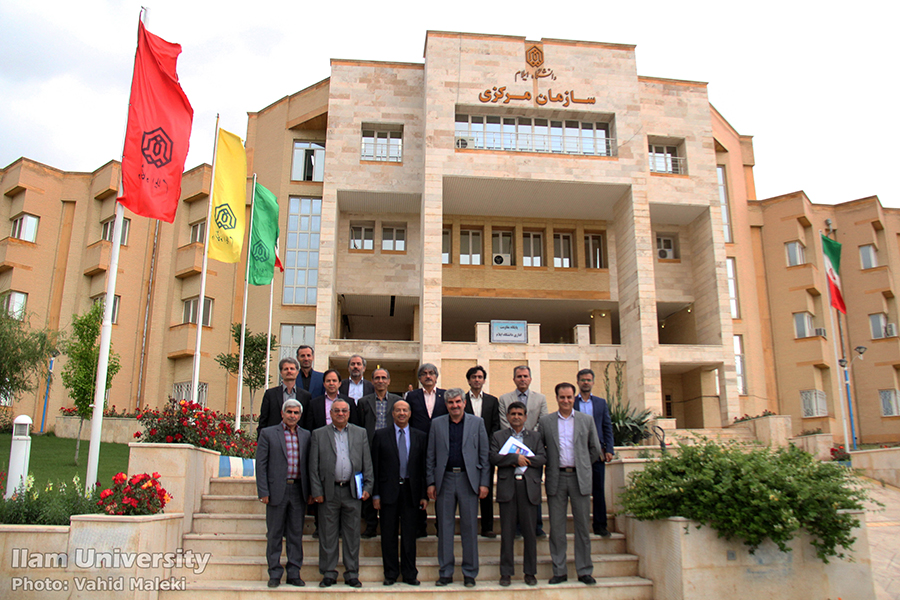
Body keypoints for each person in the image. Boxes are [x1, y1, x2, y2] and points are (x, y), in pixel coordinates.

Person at [426, 388, 490, 588]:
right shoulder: (436, 424)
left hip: (468, 480)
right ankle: (445, 572)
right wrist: (430, 482)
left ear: (464, 403)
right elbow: (430, 455)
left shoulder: (477, 423)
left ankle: (470, 572)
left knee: (470, 528)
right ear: (446, 405)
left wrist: (484, 483)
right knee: (444, 528)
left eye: (458, 402)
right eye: (451, 403)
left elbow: (484, 455)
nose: (455, 406)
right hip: (444, 480)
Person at [540, 382, 602, 585]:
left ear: (574, 398)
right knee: (557, 528)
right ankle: (559, 571)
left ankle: (584, 570)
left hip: (579, 478)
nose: (565, 401)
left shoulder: (586, 420)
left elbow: (595, 449)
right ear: (556, 398)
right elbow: (541, 450)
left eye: (569, 397)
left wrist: (582, 464)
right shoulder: (547, 422)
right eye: (561, 397)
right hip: (556, 478)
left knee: (582, 527)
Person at [309, 400, 373, 588]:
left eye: (344, 410)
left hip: (353, 492)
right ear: (330, 412)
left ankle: (352, 573)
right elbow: (313, 467)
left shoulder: (360, 433)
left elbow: (366, 462)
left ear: (349, 413)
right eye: (336, 410)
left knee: (352, 535)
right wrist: (316, 491)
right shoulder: (319, 434)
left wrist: (368, 487)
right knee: (328, 535)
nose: (340, 413)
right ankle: (328, 573)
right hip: (329, 492)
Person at [371, 400, 428, 586]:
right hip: (388, 492)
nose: (401, 413)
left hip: (411, 491)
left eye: (405, 410)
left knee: (410, 535)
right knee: (388, 534)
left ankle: (410, 573)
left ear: (410, 413)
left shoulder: (420, 436)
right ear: (392, 414)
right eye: (398, 410)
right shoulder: (380, 435)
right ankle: (390, 573)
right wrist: (376, 494)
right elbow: (376, 467)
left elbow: (423, 467)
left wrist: (423, 495)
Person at [255, 399, 310, 588]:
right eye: (289, 412)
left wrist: (310, 491)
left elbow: (309, 465)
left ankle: (294, 572)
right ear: (282, 413)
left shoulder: (306, 435)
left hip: (298, 490)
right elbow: (261, 464)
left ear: (300, 415)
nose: (292, 416)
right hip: (276, 490)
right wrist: (263, 490)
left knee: (295, 534)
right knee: (275, 534)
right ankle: (275, 573)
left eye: (296, 413)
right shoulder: (268, 434)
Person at [490, 401, 546, 587]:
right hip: (508, 487)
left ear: (525, 416)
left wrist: (526, 460)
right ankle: (506, 573)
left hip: (528, 489)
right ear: (507, 416)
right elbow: (494, 457)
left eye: (519, 414)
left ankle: (530, 573)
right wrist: (515, 458)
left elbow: (542, 458)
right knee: (507, 533)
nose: (516, 417)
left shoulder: (535, 437)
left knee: (530, 533)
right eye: (512, 414)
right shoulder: (499, 436)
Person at [498, 365, 548, 536]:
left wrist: (529, 438)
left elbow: (543, 421)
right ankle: (517, 527)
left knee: (533, 485)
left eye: (525, 376)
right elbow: (505, 421)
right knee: (515, 490)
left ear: (530, 379)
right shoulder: (505, 399)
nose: (522, 379)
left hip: (533, 447)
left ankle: (537, 526)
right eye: (519, 376)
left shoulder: (540, 398)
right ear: (514, 379)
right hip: (511, 447)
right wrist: (516, 442)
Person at [357, 367, 402, 538]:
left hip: (391, 449)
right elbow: (360, 426)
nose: (380, 381)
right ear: (372, 381)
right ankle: (370, 525)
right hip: (369, 448)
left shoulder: (397, 401)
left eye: (384, 377)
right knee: (369, 484)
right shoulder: (363, 402)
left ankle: (388, 524)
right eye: (377, 378)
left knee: (389, 486)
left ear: (389, 381)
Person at [574, 368, 616, 537]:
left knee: (598, 490)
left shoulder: (600, 403)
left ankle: (600, 525)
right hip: (577, 453)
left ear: (593, 382)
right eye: (583, 380)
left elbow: (607, 426)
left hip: (597, 452)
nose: (586, 382)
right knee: (578, 491)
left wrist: (609, 449)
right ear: (578, 382)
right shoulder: (571, 402)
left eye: (588, 380)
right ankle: (581, 525)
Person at [464, 365, 501, 538]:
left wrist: (488, 444)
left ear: (484, 380)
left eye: (479, 377)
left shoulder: (493, 401)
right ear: (469, 380)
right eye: (473, 377)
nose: (477, 380)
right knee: (468, 488)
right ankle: (469, 526)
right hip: (467, 451)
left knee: (486, 487)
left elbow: (496, 425)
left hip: (486, 451)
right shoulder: (462, 400)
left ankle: (487, 526)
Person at [258, 357, 312, 433]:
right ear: (281, 372)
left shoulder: (306, 396)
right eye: (286, 369)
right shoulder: (270, 394)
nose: (289, 371)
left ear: (297, 372)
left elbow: (308, 422)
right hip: (274, 438)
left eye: (292, 369)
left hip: (297, 439)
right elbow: (263, 421)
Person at [407, 363, 447, 434]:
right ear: (420, 379)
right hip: (418, 437)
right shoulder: (412, 396)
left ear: (436, 377)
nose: (428, 376)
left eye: (431, 373)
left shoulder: (445, 395)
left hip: (440, 435)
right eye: (424, 374)